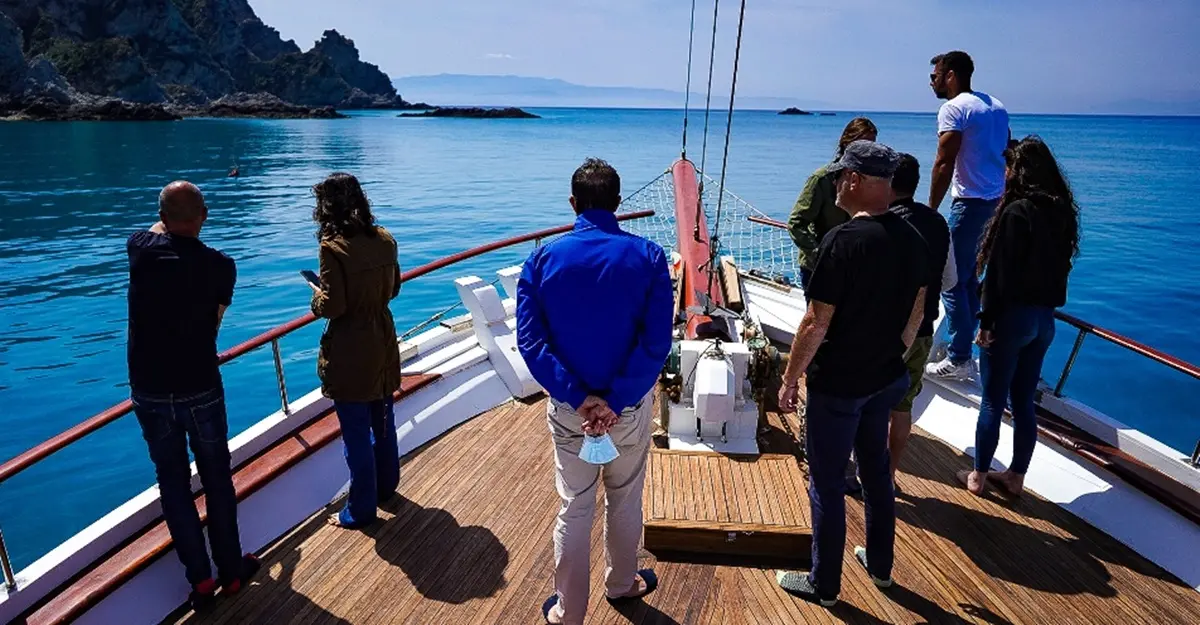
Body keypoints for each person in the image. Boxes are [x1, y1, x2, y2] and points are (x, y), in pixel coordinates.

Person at [516, 158, 673, 625]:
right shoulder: (649, 258)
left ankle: (569, 612)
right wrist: (615, 400)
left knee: (575, 506)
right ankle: (622, 585)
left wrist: (579, 397)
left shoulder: (542, 260)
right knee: (624, 498)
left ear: (573, 203)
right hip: (627, 411)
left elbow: (531, 343)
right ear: (618, 203)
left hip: (572, 413)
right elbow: (656, 343)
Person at [775, 141, 928, 607]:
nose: (837, 184)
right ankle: (880, 567)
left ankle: (824, 585)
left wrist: (789, 379)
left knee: (826, 482)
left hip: (840, 385)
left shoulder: (842, 241)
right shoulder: (913, 238)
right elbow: (917, 313)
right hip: (884, 380)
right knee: (876, 472)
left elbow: (815, 322)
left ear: (856, 180)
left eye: (841, 176)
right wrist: (891, 356)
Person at [127, 181, 258, 610]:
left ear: (162, 218)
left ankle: (200, 582)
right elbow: (214, 325)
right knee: (217, 478)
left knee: (173, 483)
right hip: (200, 386)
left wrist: (168, 220)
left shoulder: (140, 249)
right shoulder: (222, 267)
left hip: (150, 391)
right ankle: (231, 572)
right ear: (204, 216)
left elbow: (158, 228)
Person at [958, 137, 1079, 498]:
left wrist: (986, 322)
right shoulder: (1061, 214)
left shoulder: (1016, 212)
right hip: (1044, 321)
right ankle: (1015, 477)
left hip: (1012, 320)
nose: (1005, 174)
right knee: (1024, 402)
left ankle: (978, 477)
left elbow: (1000, 275)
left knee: (993, 401)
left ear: (1019, 171)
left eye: (1008, 167)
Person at [309, 172, 403, 529]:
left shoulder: (332, 248)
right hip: (383, 337)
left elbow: (334, 306)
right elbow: (393, 289)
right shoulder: (384, 238)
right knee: (383, 420)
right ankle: (386, 487)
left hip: (351, 346)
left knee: (356, 432)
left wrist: (316, 298)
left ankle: (360, 510)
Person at [924, 50, 1010, 381]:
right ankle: (965, 349)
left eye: (934, 76)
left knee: (950, 279)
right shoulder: (996, 106)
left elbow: (944, 161)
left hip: (970, 203)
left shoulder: (954, 108)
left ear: (950, 75)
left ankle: (959, 356)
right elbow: (1007, 151)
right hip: (996, 204)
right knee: (970, 279)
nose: (931, 82)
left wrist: (930, 210)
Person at [887, 154, 956, 484]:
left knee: (871, 404)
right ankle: (889, 474)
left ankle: (865, 472)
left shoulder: (883, 223)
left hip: (884, 333)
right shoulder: (938, 223)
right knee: (902, 406)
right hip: (923, 331)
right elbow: (951, 280)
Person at [787, 117, 878, 290]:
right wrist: (819, 256)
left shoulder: (872, 182)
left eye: (872, 146)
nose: (867, 151)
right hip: (819, 267)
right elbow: (796, 223)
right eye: (861, 145)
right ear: (846, 143)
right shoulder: (822, 179)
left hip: (854, 266)